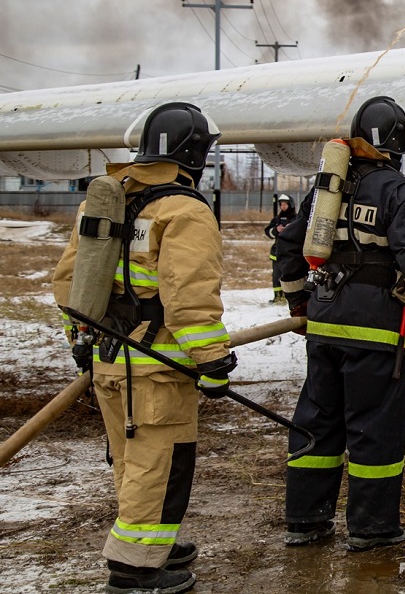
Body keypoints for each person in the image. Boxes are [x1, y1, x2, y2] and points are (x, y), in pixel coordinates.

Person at [52, 101, 233, 594]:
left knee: (133, 463)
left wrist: (80, 343)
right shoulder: (184, 210)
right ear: (193, 152)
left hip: (109, 359)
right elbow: (189, 298)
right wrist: (214, 361)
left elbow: (70, 279)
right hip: (158, 369)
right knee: (159, 465)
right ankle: (134, 571)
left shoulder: (103, 203)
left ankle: (152, 544)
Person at [275, 95, 405, 551]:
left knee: (317, 422)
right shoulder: (399, 191)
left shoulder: (324, 191)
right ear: (398, 141)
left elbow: (287, 250)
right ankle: (372, 527)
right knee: (374, 428)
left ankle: (306, 520)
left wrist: (299, 303)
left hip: (324, 323)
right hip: (377, 329)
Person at [264, 194, 298, 304]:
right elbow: (268, 232)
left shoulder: (296, 219)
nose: (283, 207)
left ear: (290, 205)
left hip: (291, 254)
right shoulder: (277, 219)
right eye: (281, 204)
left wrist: (291, 229)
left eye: (285, 204)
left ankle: (289, 297)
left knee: (289, 276)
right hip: (276, 254)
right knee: (276, 276)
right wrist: (276, 230)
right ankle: (278, 297)